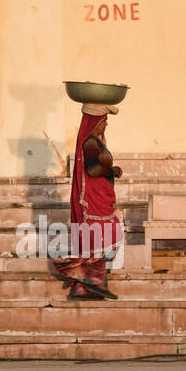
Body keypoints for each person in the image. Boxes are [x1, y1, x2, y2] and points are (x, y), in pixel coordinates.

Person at [52, 102, 124, 300]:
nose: (105, 125)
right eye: (104, 121)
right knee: (108, 237)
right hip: (94, 202)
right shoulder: (91, 143)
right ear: (95, 122)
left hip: (100, 198)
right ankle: (75, 272)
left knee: (99, 241)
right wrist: (112, 170)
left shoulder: (95, 142)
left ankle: (85, 287)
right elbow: (92, 170)